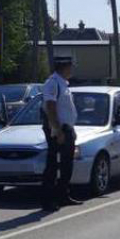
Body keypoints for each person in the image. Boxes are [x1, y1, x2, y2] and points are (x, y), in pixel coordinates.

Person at [41, 56, 82, 212]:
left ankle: (63, 195)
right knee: (52, 165)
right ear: (63, 67)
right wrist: (57, 130)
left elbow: (65, 110)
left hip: (66, 128)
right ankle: (48, 200)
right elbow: (50, 107)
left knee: (66, 165)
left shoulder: (63, 84)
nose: (72, 69)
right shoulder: (52, 83)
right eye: (71, 66)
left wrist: (70, 129)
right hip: (56, 129)